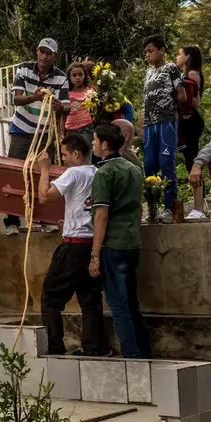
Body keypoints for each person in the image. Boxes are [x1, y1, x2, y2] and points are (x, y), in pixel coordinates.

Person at [36, 134, 108, 357]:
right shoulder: (98, 173)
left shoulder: (74, 173)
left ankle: (55, 345)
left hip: (73, 246)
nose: (64, 159)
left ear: (77, 154)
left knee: (50, 297)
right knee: (89, 298)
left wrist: (45, 169)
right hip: (90, 242)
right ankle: (94, 346)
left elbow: (44, 197)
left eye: (65, 154)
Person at [89, 124, 149, 359]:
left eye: (95, 140)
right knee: (132, 302)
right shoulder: (134, 170)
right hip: (132, 241)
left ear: (104, 144)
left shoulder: (103, 173)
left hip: (113, 243)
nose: (93, 144)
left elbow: (101, 215)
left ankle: (132, 356)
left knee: (119, 303)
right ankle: (144, 351)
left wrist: (95, 255)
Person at [4, 38, 70, 235]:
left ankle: (45, 218)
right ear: (37, 52)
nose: (44, 55)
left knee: (44, 174)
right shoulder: (23, 69)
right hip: (21, 129)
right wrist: (36, 97)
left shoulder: (60, 77)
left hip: (45, 133)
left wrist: (60, 106)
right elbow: (16, 99)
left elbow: (66, 105)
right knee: (15, 172)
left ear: (54, 56)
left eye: (48, 53)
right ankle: (12, 221)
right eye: (42, 51)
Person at [142, 35, 186, 223]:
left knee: (167, 162)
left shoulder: (171, 68)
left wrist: (167, 107)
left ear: (162, 50)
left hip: (166, 122)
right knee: (150, 166)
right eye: (146, 52)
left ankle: (169, 207)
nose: (148, 55)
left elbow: (181, 95)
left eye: (151, 51)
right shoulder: (148, 72)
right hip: (148, 124)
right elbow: (145, 100)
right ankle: (152, 208)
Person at [176, 45, 207, 219]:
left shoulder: (192, 74)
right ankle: (201, 205)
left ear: (187, 57)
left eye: (179, 54)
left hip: (191, 120)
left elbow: (195, 102)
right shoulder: (186, 74)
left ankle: (199, 207)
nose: (176, 57)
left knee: (192, 161)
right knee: (189, 159)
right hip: (185, 121)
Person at [63, 62, 95, 145]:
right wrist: (61, 131)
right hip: (70, 128)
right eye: (74, 75)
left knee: (85, 153)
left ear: (85, 75)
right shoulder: (66, 92)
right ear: (69, 77)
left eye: (80, 74)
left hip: (86, 127)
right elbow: (62, 114)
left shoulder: (90, 90)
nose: (78, 78)